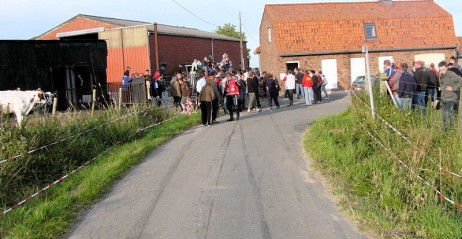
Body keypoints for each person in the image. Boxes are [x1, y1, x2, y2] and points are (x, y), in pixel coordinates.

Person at [438, 61, 462, 131]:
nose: (442, 71)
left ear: (447, 67)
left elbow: (461, 80)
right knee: (444, 115)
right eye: (440, 69)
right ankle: (445, 129)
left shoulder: (451, 74)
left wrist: (453, 88)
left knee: (450, 115)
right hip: (444, 98)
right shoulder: (441, 75)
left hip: (451, 98)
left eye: (443, 69)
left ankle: (451, 129)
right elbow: (441, 84)